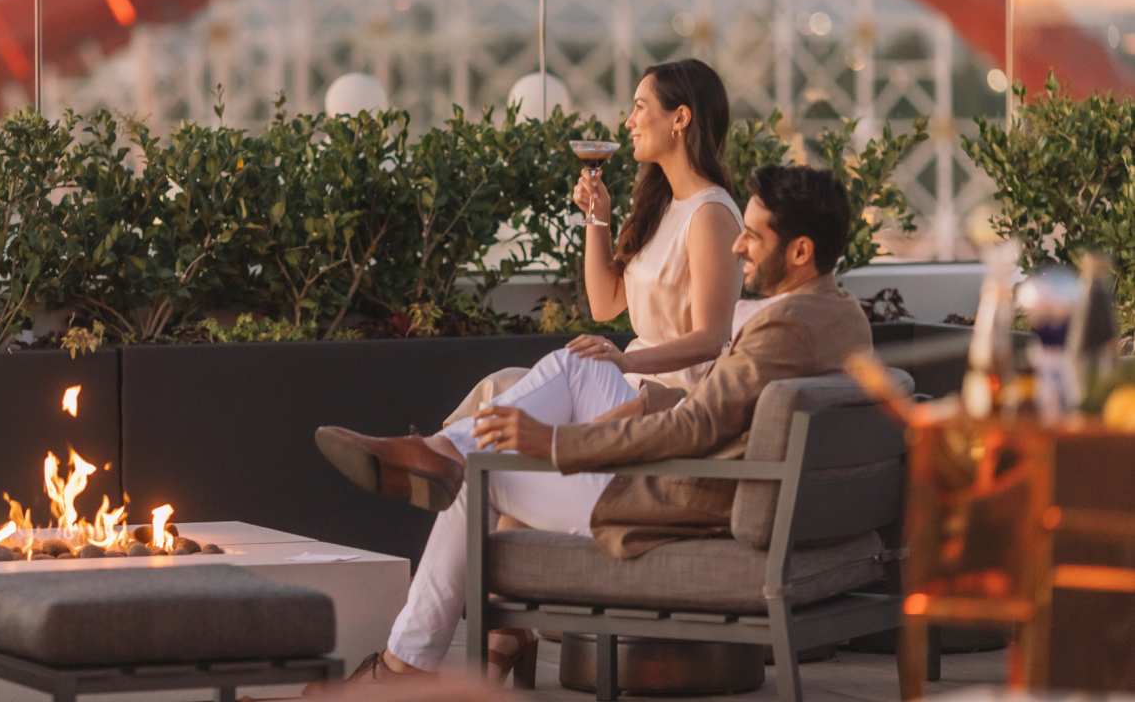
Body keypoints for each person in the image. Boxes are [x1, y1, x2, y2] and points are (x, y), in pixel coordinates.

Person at [314, 165, 872, 686]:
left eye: (754, 235)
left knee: (477, 471)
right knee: (579, 362)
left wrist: (557, 443)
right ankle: (437, 454)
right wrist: (647, 397)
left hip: (677, 496)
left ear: (800, 250)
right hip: (712, 477)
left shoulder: (784, 330)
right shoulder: (842, 314)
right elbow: (720, 412)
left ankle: (402, 668)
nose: (738, 245)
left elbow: (695, 429)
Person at [446, 58, 744, 431]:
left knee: (570, 364)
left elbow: (711, 339)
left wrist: (624, 362)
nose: (628, 123)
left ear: (680, 118)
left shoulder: (710, 215)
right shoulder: (664, 206)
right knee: (500, 385)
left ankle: (432, 461)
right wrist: (596, 216)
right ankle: (437, 461)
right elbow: (605, 304)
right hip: (627, 383)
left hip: (669, 402)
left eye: (639, 107)